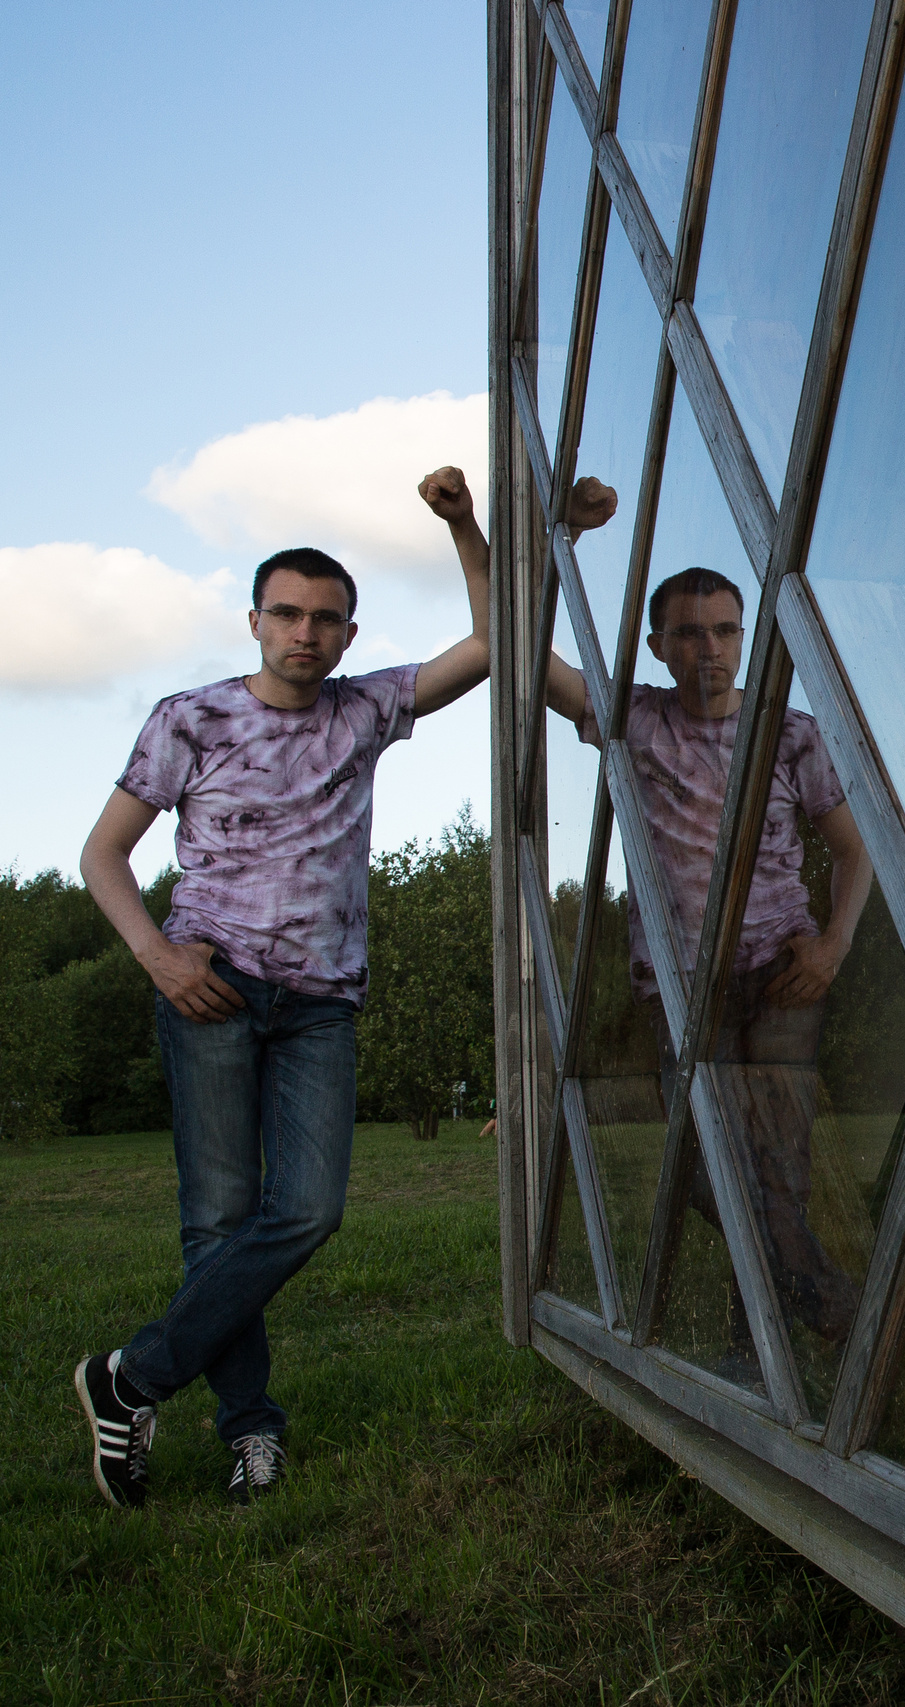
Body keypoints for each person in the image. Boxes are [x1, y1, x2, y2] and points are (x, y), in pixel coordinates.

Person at [71, 466, 611, 1509]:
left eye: (326, 619)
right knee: (218, 1222)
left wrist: (468, 528)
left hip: (321, 1000)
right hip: (210, 984)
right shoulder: (190, 719)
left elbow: (500, 648)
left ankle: (130, 1377)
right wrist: (159, 957)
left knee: (308, 1211)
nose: (305, 634)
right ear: (255, 620)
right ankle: (249, 1433)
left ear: (350, 636)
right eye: (287, 614)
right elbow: (104, 856)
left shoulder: (364, 710)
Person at [543, 555, 872, 1352]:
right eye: (689, 634)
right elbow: (529, 658)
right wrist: (477, 532)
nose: (711, 649)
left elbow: (856, 853)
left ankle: (753, 1351)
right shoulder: (640, 720)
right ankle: (839, 1311)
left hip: (782, 970)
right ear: (657, 645)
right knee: (704, 1167)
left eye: (726, 630)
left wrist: (833, 945)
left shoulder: (790, 736)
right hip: (681, 984)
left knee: (777, 1171)